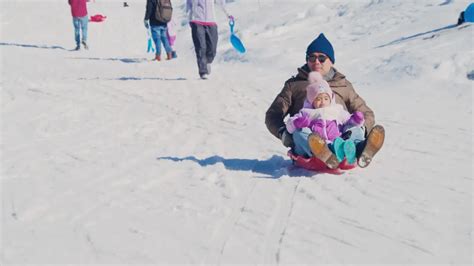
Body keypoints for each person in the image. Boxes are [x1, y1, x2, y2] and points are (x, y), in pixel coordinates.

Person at [265, 33, 385, 169]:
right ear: (307, 60)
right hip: (310, 141)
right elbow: (272, 115)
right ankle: (323, 152)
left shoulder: (343, 85)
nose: (316, 62)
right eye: (312, 57)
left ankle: (361, 149)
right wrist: (283, 133)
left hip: (341, 138)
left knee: (356, 129)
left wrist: (361, 128)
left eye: (322, 58)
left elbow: (366, 113)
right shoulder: (294, 85)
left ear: (331, 61)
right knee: (301, 134)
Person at [285, 71, 365, 165]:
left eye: (326, 98)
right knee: (300, 132)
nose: (322, 102)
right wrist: (297, 123)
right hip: (315, 148)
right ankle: (323, 152)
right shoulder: (306, 112)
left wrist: (356, 120)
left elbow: (348, 120)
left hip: (336, 144)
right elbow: (289, 126)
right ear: (312, 101)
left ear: (331, 99)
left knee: (354, 128)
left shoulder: (337, 110)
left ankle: (358, 147)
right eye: (318, 99)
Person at [186, 0, 232, 79]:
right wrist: (190, 18)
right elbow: (189, 6)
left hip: (211, 21)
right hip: (197, 20)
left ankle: (207, 61)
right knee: (201, 47)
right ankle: (203, 71)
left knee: (212, 48)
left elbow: (221, 2)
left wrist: (228, 14)